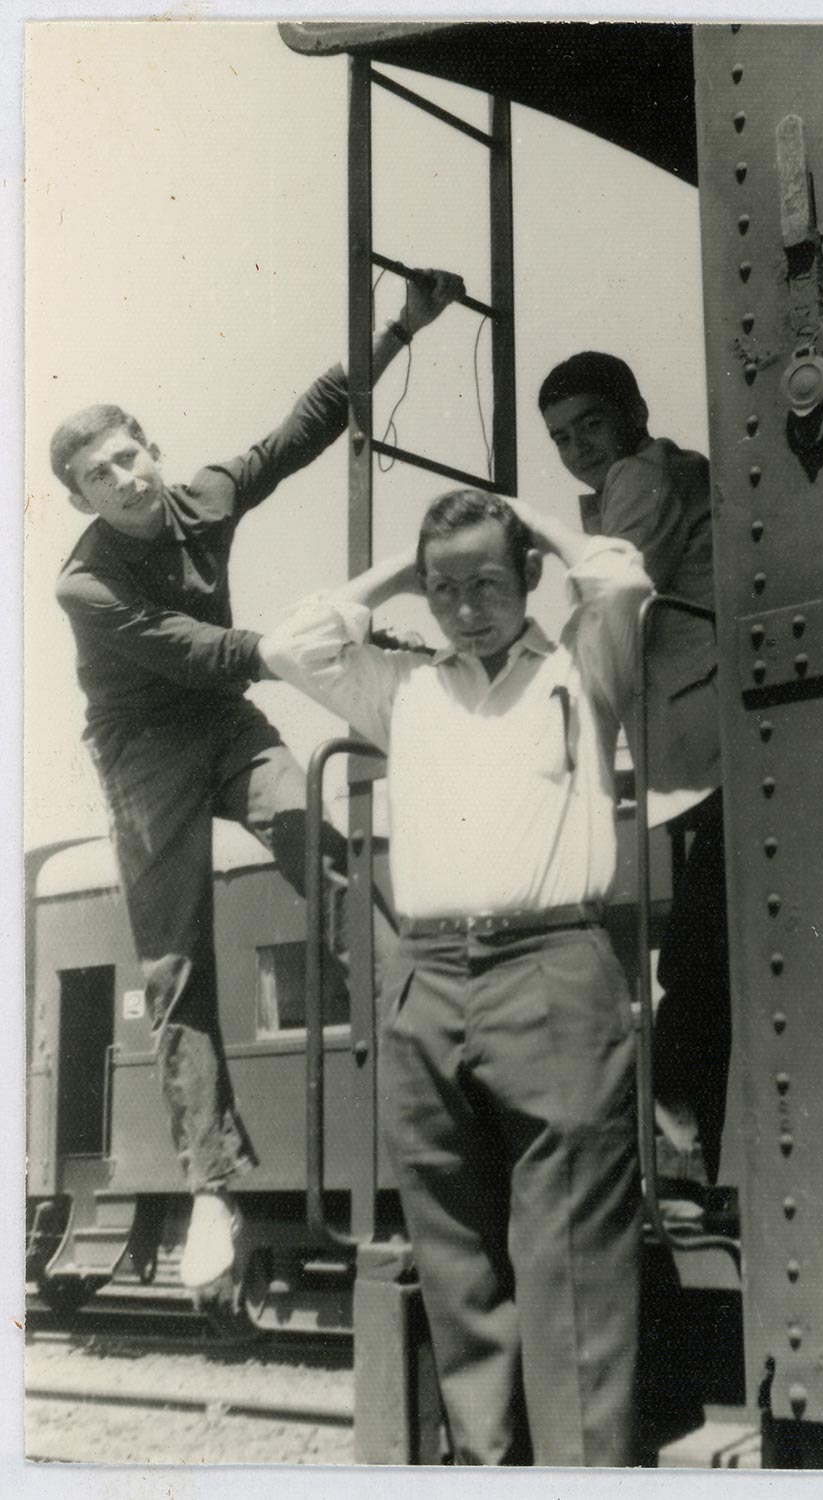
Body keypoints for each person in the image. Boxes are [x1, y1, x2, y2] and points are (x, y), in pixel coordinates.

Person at [51, 270, 465, 1294]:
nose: (126, 480)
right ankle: (210, 1187)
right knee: (176, 961)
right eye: (101, 476)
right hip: (143, 752)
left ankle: (444, 1042)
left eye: (129, 456)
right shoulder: (84, 581)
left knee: (314, 845)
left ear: (151, 448)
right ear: (82, 500)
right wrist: (284, 649)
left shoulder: (202, 497)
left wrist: (400, 329)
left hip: (225, 721)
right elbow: (188, 648)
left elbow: (303, 427)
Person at [259, 490, 652, 1465]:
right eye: (445, 591)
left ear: (530, 576)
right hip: (427, 977)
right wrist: (406, 569)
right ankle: (485, 1470)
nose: (466, 608)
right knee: (454, 1254)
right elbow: (291, 646)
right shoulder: (405, 688)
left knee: (570, 1258)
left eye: (487, 583)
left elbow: (619, 577)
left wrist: (527, 520)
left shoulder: (580, 666)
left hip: (552, 967)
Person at [538, 351, 730, 1192]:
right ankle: (695, 1148)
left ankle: (683, 1143)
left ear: (632, 414)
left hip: (709, 750)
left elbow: (610, 596)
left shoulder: (638, 478)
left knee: (690, 962)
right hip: (704, 749)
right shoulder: (661, 472)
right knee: (702, 953)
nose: (577, 446)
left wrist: (531, 695)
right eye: (560, 437)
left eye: (589, 424)